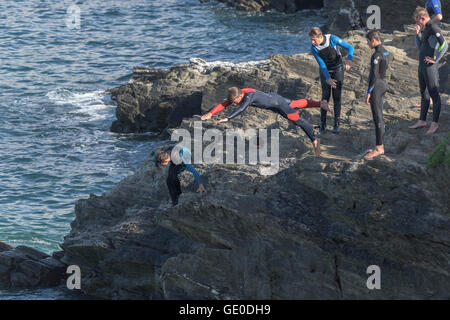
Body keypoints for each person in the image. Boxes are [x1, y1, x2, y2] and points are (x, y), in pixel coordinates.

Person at [207, 87, 332, 157]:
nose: (234, 104)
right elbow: (225, 103)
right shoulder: (242, 92)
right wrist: (210, 113)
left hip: (278, 104)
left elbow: (241, 108)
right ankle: (321, 104)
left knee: (298, 121)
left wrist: (228, 118)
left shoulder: (249, 97)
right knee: (295, 103)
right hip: (273, 98)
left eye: (235, 101)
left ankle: (315, 141)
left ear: (240, 96)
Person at [409, 7, 448, 134]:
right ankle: (422, 120)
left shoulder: (433, 27)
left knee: (434, 95)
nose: (417, 23)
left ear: (423, 18)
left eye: (418, 21)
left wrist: (436, 60)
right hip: (422, 66)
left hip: (430, 67)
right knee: (423, 93)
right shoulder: (425, 29)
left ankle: (434, 123)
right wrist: (417, 34)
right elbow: (421, 47)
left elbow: (445, 45)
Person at [309, 27, 354, 133]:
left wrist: (349, 60)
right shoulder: (314, 48)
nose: (312, 42)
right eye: (311, 39)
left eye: (314, 39)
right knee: (325, 96)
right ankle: (323, 125)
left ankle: (336, 125)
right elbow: (321, 64)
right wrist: (328, 78)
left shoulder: (332, 38)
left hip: (337, 68)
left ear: (320, 36)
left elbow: (350, 47)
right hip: (325, 70)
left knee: (337, 96)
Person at [364, 30, 390, 160]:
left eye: (368, 41)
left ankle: (379, 148)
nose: (367, 44)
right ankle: (379, 145)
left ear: (373, 40)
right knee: (380, 116)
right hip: (383, 84)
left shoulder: (376, 55)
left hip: (376, 87)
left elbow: (373, 75)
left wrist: (369, 92)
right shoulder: (386, 51)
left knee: (377, 117)